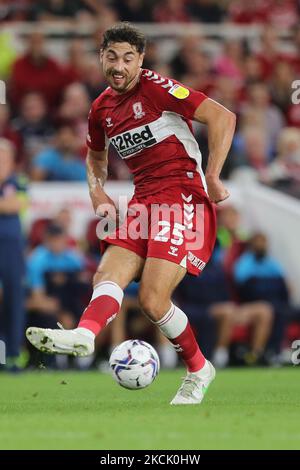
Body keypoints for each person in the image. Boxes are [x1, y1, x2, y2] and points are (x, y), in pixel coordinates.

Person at [26, 22, 236, 405]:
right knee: (107, 273)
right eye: (111, 57)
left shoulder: (157, 88)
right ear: (101, 58)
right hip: (143, 201)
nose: (118, 66)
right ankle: (84, 336)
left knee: (154, 301)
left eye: (127, 58)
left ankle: (199, 369)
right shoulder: (100, 108)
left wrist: (213, 175)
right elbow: (95, 155)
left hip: (182, 197)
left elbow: (223, 117)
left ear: (140, 60)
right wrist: (96, 191)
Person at [0, 138, 27, 371]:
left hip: (11, 249)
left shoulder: (19, 182)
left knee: (14, 301)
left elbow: (15, 206)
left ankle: (14, 356)